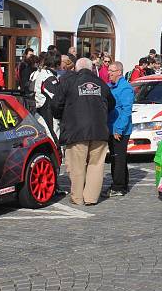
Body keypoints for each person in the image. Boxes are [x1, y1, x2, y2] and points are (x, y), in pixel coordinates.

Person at [51, 57, 115, 206]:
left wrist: (62, 116)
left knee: (76, 166)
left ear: (76, 69)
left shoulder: (68, 82)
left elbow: (56, 105)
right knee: (96, 165)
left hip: (76, 131)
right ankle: (91, 198)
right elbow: (112, 103)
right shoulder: (101, 84)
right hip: (99, 130)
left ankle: (78, 198)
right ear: (92, 68)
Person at [107, 61, 133, 197]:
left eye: (112, 71)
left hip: (120, 129)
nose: (108, 73)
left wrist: (119, 129)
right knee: (116, 157)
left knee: (118, 158)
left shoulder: (125, 88)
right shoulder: (110, 86)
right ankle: (123, 183)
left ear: (119, 72)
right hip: (111, 127)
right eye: (108, 70)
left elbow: (126, 111)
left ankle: (118, 186)